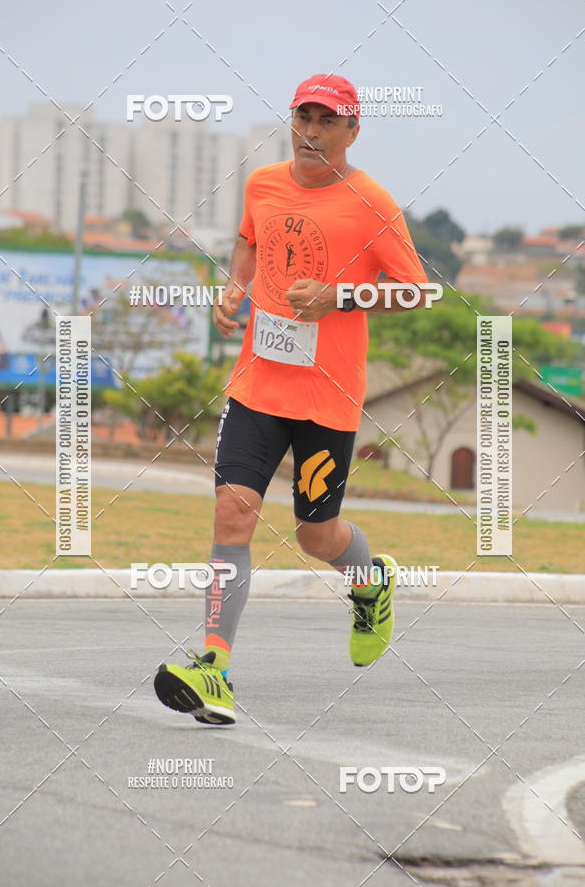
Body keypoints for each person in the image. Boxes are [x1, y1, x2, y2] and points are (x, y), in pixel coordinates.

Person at [154, 74, 427, 725]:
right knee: (233, 513)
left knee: (315, 535)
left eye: (327, 121)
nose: (311, 132)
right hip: (258, 384)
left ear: (352, 131)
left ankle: (370, 583)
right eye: (304, 118)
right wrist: (234, 289)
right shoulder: (263, 183)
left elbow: (417, 291)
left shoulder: (372, 203)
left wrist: (342, 297)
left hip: (327, 396)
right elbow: (250, 239)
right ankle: (214, 668)